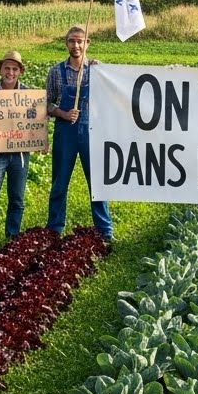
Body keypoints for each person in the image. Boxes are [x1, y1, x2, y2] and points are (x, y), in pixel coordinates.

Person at [46, 26, 113, 241]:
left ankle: (105, 230)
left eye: (80, 41)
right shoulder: (56, 72)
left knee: (97, 182)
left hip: (90, 131)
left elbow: (110, 97)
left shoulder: (97, 70)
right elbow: (46, 104)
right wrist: (62, 113)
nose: (76, 45)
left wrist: (103, 71)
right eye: (72, 41)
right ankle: (54, 229)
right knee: (59, 182)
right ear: (66, 43)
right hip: (65, 132)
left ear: (87, 43)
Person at [0, 50, 43, 241]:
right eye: (7, 68)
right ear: (0, 69)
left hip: (20, 152)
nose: (10, 72)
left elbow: (37, 119)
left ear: (20, 71)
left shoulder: (29, 94)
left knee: (17, 198)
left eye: (14, 69)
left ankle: (12, 236)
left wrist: (40, 139)